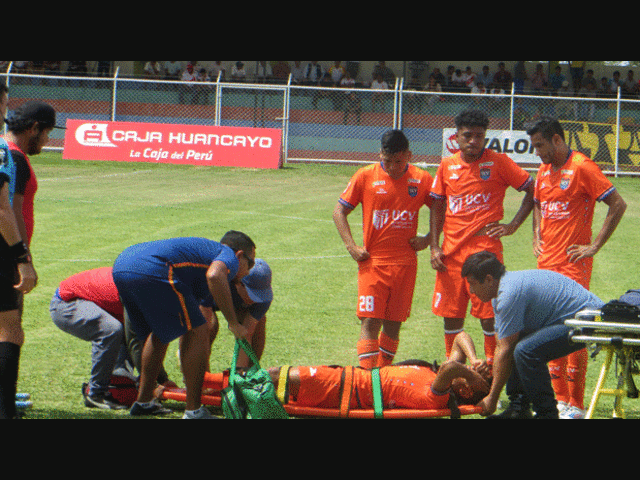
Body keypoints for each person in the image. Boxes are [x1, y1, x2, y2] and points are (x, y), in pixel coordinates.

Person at [526, 116, 627, 419]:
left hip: (573, 266)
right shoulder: (543, 170)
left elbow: (618, 204)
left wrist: (594, 246)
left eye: (540, 145)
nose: (537, 152)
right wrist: (535, 235)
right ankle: (560, 400)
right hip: (546, 264)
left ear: (557, 139)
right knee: (549, 331)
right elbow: (537, 203)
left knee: (574, 331)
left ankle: (577, 404)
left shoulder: (583, 167)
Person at [429, 110, 534, 367]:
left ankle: (490, 368)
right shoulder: (447, 166)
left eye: (480, 136)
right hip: (451, 253)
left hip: (485, 249)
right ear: (457, 136)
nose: (474, 140)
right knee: (451, 315)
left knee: (489, 315)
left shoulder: (498, 162)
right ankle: (453, 367)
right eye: (468, 135)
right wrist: (434, 245)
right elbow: (437, 206)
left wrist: (513, 225)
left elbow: (533, 189)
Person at [112, 232, 254, 419]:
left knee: (161, 333)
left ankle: (143, 402)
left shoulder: (203, 260)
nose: (249, 271)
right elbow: (214, 275)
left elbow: (201, 299)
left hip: (122, 264)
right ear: (239, 255)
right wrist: (234, 323)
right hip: (153, 267)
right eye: (250, 263)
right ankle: (194, 411)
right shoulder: (227, 255)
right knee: (198, 330)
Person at [461, 251, 605, 419]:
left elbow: (504, 350)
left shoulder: (508, 294)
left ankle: (547, 414)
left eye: (472, 284)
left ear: (488, 279)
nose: (471, 290)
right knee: (519, 345)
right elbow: (506, 345)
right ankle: (519, 409)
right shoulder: (501, 291)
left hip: (587, 319)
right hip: (574, 317)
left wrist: (492, 398)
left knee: (526, 350)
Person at [333, 130, 433, 370]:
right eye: (387, 161)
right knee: (369, 321)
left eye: (398, 161)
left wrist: (429, 239)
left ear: (409, 155)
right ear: (380, 154)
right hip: (373, 263)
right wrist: (351, 246)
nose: (392, 167)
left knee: (394, 323)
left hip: (405, 264)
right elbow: (339, 211)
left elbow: (443, 210)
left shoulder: (421, 179)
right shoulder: (366, 175)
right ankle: (369, 378)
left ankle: (383, 374)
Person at [265, 355, 490, 413]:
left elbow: (451, 367)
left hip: (344, 388)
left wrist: (475, 378)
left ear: (466, 390)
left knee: (275, 375)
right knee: (274, 377)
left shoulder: (437, 395)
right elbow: (461, 336)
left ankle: (230, 390)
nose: (470, 369)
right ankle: (231, 388)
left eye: (471, 375)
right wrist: (473, 359)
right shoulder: (438, 376)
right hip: (347, 377)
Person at [0, 83, 38, 420]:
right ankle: (5, 407)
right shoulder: (5, 153)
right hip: (3, 251)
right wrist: (22, 258)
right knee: (9, 328)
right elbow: (5, 210)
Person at [50, 267, 132, 410]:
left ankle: (117, 383)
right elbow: (141, 342)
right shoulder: (139, 294)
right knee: (111, 330)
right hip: (67, 302)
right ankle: (96, 394)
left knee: (128, 333)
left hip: (94, 300)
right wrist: (159, 380)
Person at [204, 258, 273, 372]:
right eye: (253, 294)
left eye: (260, 295)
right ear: (239, 284)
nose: (256, 300)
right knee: (209, 326)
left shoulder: (264, 299)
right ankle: (199, 375)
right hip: (206, 302)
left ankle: (250, 375)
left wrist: (240, 371)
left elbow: (246, 333)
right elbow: (200, 308)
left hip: (235, 300)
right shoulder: (217, 281)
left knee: (258, 323)